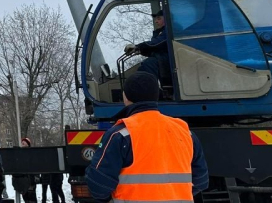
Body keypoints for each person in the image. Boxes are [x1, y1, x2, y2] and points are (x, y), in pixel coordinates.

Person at [86, 72, 209, 202]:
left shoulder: (120, 134)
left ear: (125, 97)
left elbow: (98, 187)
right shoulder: (185, 132)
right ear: (157, 96)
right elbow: (201, 181)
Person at [124, 10, 168, 80]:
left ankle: (150, 88)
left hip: (170, 62)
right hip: (163, 62)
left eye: (159, 18)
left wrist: (138, 47)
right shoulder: (159, 33)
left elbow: (156, 44)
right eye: (155, 19)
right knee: (144, 66)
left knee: (148, 64)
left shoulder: (170, 32)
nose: (156, 21)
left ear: (167, 18)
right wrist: (140, 51)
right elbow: (154, 49)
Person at [12, 138, 38, 203]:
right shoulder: (21, 153)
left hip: (30, 180)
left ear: (28, 144)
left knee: (31, 198)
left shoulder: (31, 154)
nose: (22, 142)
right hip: (23, 181)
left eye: (25, 142)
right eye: (22, 142)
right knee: (26, 198)